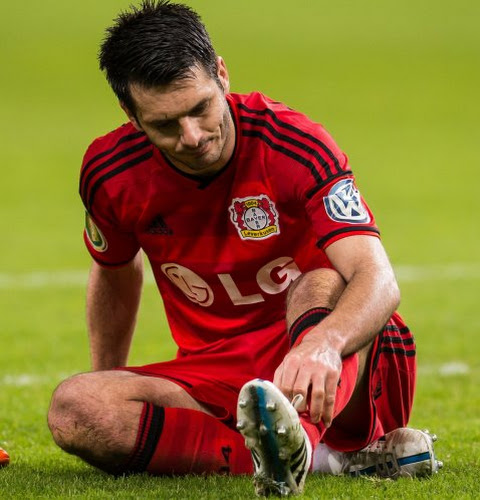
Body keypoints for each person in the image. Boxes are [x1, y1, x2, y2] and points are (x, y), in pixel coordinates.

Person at [46, 0, 441, 495]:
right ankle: (315, 461)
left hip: (335, 368)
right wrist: (108, 381)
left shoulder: (294, 143)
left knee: (320, 279)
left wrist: (325, 344)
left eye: (199, 109)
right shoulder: (111, 174)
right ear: (130, 113)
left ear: (222, 75)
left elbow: (376, 277)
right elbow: (115, 271)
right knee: (74, 408)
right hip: (214, 374)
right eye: (165, 125)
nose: (191, 137)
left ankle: (316, 439)